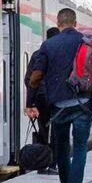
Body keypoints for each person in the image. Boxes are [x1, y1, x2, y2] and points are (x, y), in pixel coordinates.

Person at [28, 9, 92, 183]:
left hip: (59, 105)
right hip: (84, 103)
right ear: (75, 23)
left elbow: (36, 75)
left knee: (62, 148)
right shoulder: (86, 41)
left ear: (58, 23)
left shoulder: (49, 44)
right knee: (81, 147)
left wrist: (31, 102)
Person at [24, 28, 60, 173]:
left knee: (44, 131)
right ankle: (53, 164)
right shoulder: (61, 55)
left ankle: (43, 164)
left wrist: (30, 103)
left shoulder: (37, 55)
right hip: (57, 99)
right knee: (57, 132)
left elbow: (29, 80)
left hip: (40, 99)